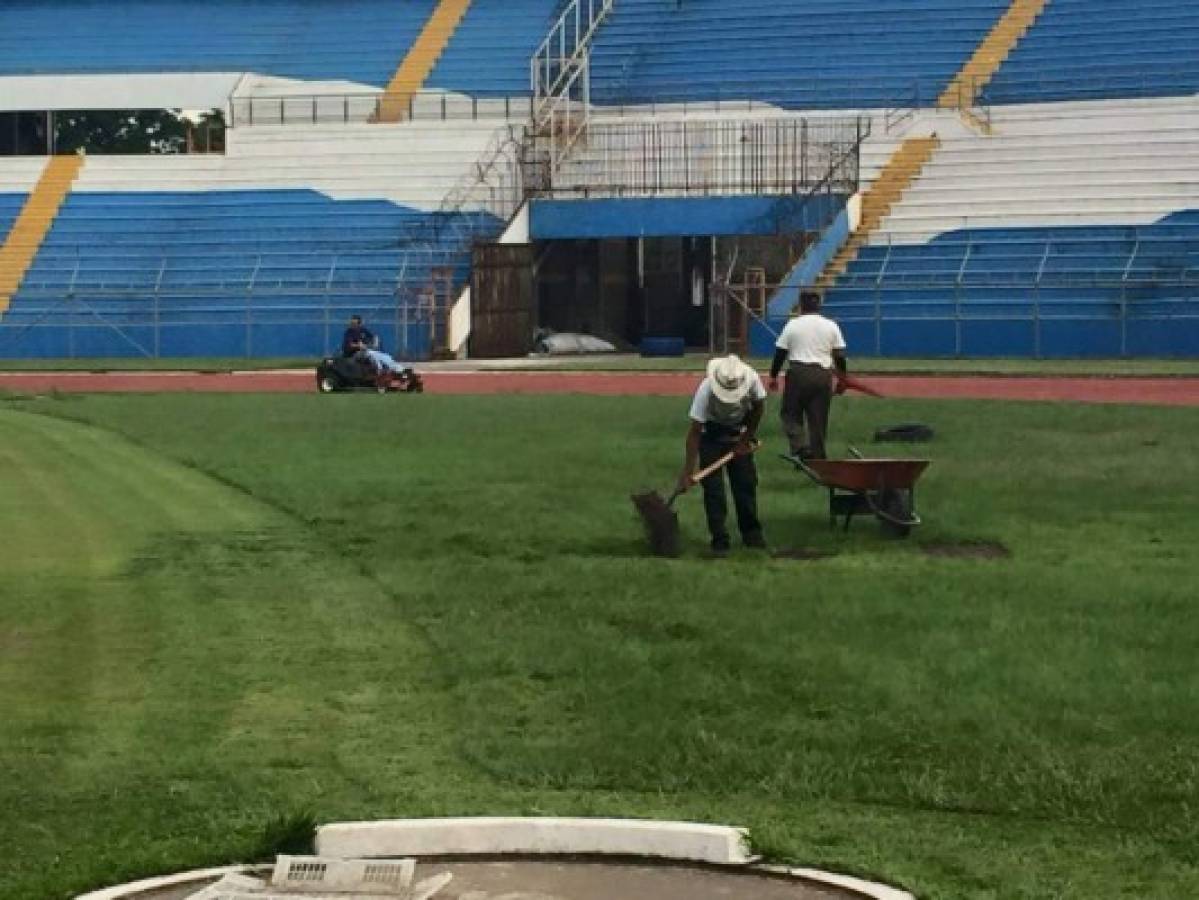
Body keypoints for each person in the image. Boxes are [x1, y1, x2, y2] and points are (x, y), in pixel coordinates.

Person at [677, 354, 767, 556]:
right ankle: (719, 539)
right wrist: (688, 471)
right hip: (711, 435)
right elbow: (694, 432)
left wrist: (744, 441)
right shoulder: (706, 389)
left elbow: (759, 409)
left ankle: (752, 534)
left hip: (739, 433)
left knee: (745, 484)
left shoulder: (751, 379)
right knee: (713, 489)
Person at [769, 290, 848, 461]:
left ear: (801, 306)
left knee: (790, 414)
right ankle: (818, 458)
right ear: (819, 305)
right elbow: (840, 356)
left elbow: (780, 352)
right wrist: (843, 378)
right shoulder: (831, 325)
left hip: (798, 372)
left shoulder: (793, 325)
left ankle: (800, 447)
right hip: (823, 374)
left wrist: (773, 376)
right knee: (818, 418)